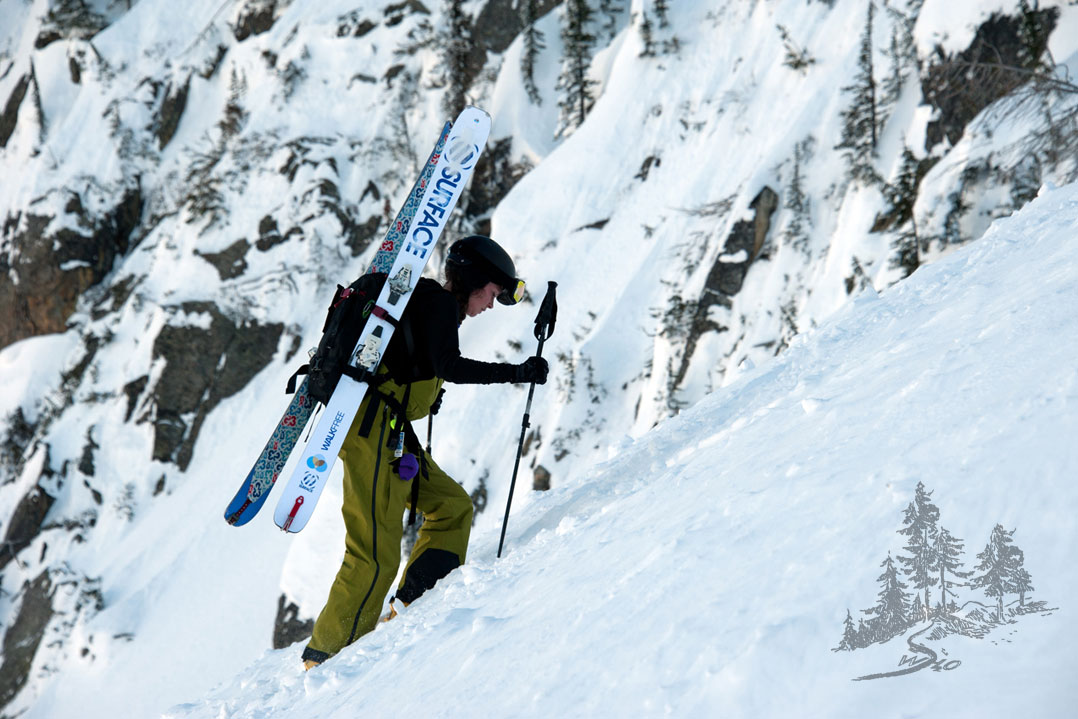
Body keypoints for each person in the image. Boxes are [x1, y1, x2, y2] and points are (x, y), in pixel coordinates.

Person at [301, 235, 548, 669]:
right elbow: (448, 365)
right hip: (370, 433)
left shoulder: (434, 305)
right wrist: (518, 371)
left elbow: (416, 362)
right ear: (475, 281)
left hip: (391, 431)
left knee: (452, 508)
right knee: (374, 553)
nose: (491, 305)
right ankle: (326, 661)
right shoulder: (436, 303)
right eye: (492, 294)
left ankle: (414, 604)